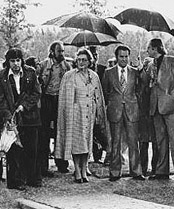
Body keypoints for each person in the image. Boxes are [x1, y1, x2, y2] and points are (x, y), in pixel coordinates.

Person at [55, 48, 107, 183]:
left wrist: (99, 115)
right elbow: (64, 98)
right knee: (77, 143)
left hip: (89, 112)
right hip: (75, 113)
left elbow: (98, 96)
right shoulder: (69, 75)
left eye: (84, 60)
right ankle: (77, 170)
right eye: (79, 60)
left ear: (90, 61)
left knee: (87, 142)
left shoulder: (93, 76)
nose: (81, 62)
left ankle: (84, 169)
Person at [102, 45, 145, 182]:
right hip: (115, 110)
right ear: (116, 57)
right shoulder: (108, 72)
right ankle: (115, 172)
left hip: (132, 110)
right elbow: (105, 91)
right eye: (121, 56)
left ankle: (136, 172)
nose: (124, 59)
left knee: (133, 142)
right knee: (115, 142)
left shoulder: (134, 72)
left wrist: (141, 69)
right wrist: (114, 102)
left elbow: (141, 88)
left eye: (126, 56)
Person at [0, 48, 41, 190]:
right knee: (14, 151)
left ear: (22, 61)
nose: (16, 64)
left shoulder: (31, 72)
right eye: (12, 61)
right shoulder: (2, 76)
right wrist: (7, 115)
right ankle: (16, 181)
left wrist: (24, 106)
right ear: (8, 61)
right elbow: (1, 99)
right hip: (11, 118)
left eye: (18, 60)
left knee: (32, 148)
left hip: (30, 117)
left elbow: (36, 93)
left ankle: (32, 178)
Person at [146, 38, 174, 185]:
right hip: (155, 107)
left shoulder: (171, 60)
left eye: (149, 48)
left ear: (156, 48)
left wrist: (173, 94)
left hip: (170, 107)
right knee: (160, 140)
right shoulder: (150, 64)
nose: (147, 50)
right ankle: (161, 171)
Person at [37, 41, 72, 175]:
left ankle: (62, 164)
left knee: (61, 132)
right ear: (52, 52)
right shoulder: (44, 65)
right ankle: (42, 166)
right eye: (59, 51)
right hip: (46, 100)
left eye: (63, 51)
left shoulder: (67, 66)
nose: (62, 54)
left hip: (60, 100)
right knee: (44, 134)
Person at [138, 57, 159, 176]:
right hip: (144, 114)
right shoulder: (141, 80)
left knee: (155, 143)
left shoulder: (156, 81)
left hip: (154, 113)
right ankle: (143, 168)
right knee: (143, 142)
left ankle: (154, 168)